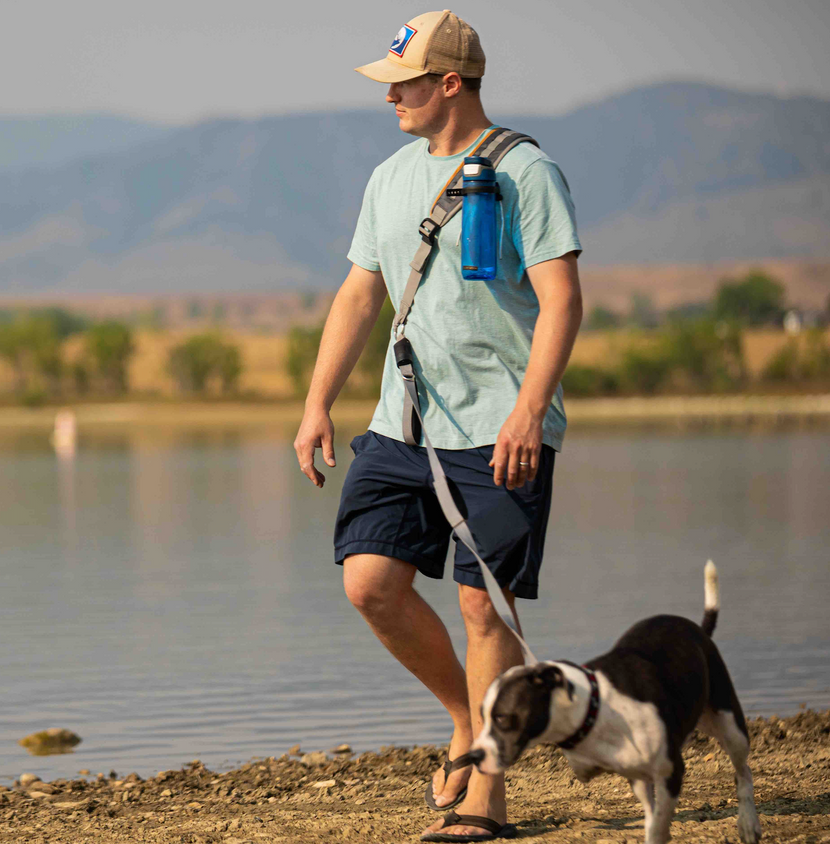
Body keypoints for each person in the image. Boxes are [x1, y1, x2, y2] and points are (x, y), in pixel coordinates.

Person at [293, 10, 583, 842]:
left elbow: (562, 299)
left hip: (501, 426)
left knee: (483, 610)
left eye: (404, 84)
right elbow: (359, 295)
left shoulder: (528, 172)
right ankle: (471, 716)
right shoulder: (387, 177)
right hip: (403, 424)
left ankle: (486, 801)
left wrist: (531, 407)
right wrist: (318, 401)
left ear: (450, 82)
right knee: (369, 583)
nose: (391, 99)